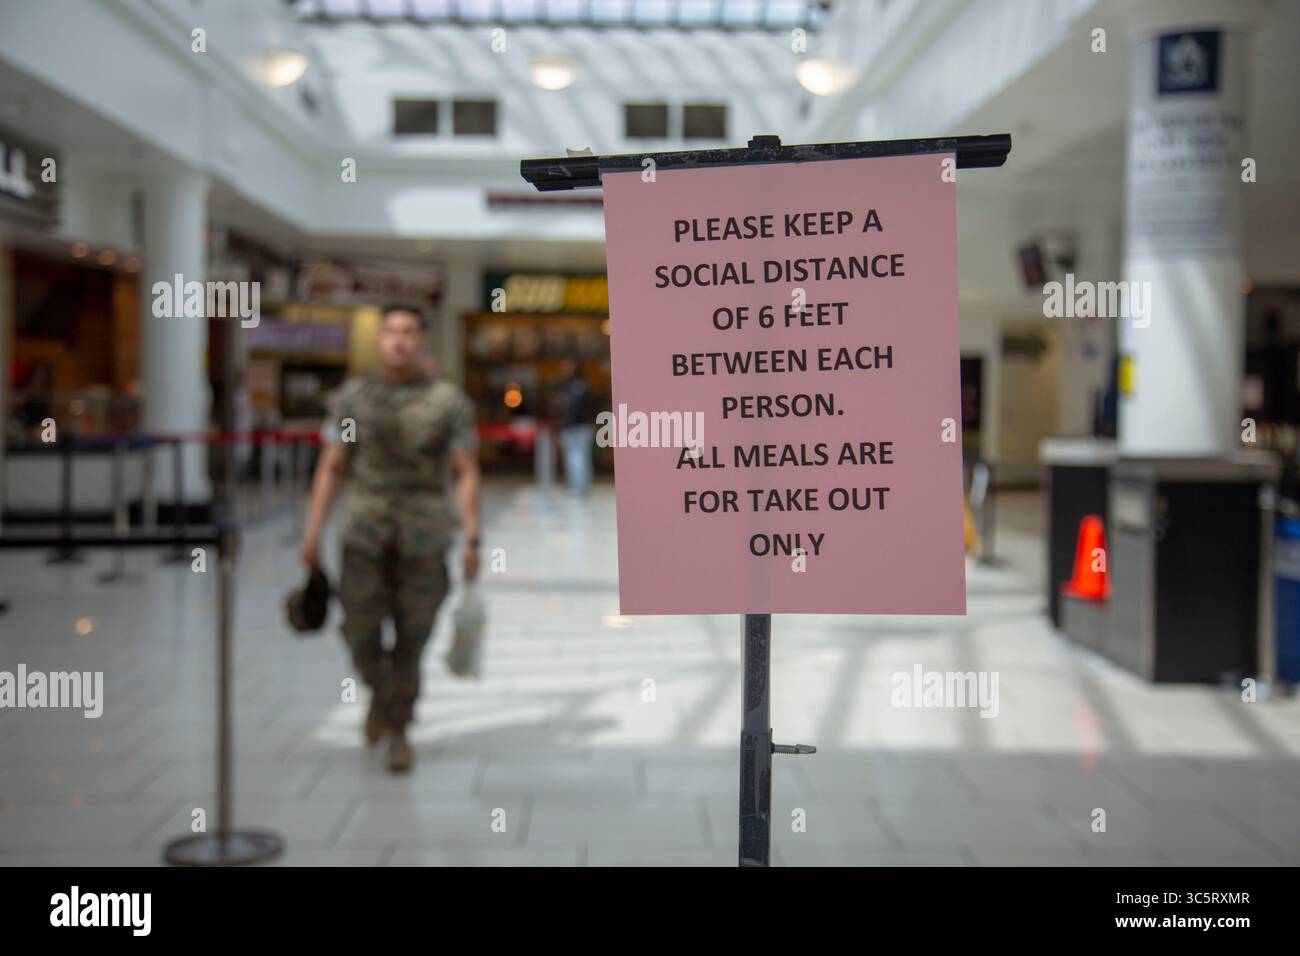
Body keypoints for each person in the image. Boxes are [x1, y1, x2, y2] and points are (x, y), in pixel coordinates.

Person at [300, 306, 481, 773]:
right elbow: (334, 463)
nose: (399, 340)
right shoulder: (353, 400)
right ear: (380, 340)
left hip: (424, 536)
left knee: (412, 638)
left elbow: (465, 471)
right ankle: (380, 694)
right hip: (365, 532)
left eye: (409, 332)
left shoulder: (448, 402)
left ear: (423, 340)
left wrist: (474, 535)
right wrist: (312, 530)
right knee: (359, 630)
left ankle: (399, 728)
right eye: (391, 332)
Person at [555, 358, 594, 495]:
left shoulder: (578, 386)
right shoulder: (570, 386)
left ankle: (579, 486)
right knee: (576, 457)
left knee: (577, 457)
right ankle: (578, 484)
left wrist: (567, 425)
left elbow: (574, 409)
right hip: (576, 427)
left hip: (578, 427)